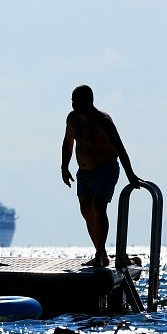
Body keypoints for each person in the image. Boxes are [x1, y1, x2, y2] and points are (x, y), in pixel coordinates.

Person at [61, 84, 141, 267]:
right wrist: (64, 167)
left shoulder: (103, 121)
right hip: (84, 172)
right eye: (72, 102)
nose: (73, 105)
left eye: (77, 102)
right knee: (86, 210)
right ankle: (101, 253)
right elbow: (68, 143)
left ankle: (99, 254)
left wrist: (130, 175)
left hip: (105, 169)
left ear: (88, 102)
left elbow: (120, 149)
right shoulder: (72, 119)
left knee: (98, 206)